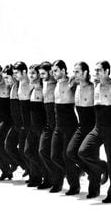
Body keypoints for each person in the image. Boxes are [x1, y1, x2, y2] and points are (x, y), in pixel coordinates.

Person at [79, 60, 111, 203]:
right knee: (83, 151)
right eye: (94, 70)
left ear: (107, 71)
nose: (95, 73)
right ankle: (103, 167)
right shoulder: (95, 84)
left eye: (98, 70)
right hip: (97, 127)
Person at [65, 61, 99, 197]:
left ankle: (94, 190)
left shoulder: (93, 86)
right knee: (70, 152)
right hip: (80, 126)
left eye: (78, 72)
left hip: (92, 126)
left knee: (90, 155)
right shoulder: (76, 86)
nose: (75, 75)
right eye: (74, 72)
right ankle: (92, 171)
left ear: (85, 73)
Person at [51, 60, 79, 195]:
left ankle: (74, 185)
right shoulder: (55, 82)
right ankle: (68, 176)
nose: (53, 73)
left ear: (63, 70)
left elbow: (83, 83)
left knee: (67, 156)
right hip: (58, 124)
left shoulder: (71, 81)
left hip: (69, 123)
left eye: (56, 70)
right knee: (54, 155)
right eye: (53, 70)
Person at [4, 64, 29, 178]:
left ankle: (32, 170)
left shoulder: (23, 86)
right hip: (15, 124)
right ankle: (25, 166)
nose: (14, 76)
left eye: (14, 74)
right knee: (9, 146)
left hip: (23, 124)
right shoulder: (13, 87)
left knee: (25, 150)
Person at [38, 61, 59, 190]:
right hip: (47, 122)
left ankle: (55, 181)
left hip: (57, 123)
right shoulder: (43, 82)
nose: (41, 76)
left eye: (43, 73)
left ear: (51, 71)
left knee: (55, 154)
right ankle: (48, 178)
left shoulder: (56, 83)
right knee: (42, 151)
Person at [0, 64, 14, 181]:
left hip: (7, 120)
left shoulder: (8, 84)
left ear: (0, 71)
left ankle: (13, 164)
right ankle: (6, 172)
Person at [25, 64, 46, 187]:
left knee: (41, 153)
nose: (30, 75)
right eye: (29, 73)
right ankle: (36, 176)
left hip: (42, 126)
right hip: (32, 126)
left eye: (33, 73)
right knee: (28, 151)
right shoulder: (32, 89)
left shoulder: (44, 89)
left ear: (38, 74)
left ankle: (44, 178)